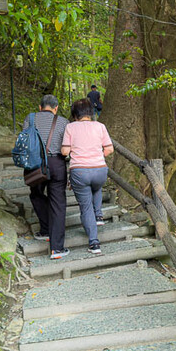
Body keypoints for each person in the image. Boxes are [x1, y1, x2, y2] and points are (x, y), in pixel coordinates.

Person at [61, 98, 113, 254]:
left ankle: (94, 243)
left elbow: (64, 151)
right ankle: (98, 216)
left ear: (75, 114)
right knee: (96, 188)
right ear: (90, 112)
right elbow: (109, 149)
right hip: (100, 169)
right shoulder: (100, 126)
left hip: (80, 171)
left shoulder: (70, 127)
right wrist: (97, 155)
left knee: (85, 207)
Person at [21, 95, 70, 260]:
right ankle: (57, 248)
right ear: (55, 108)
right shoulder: (63, 122)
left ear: (40, 107)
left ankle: (45, 229)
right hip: (56, 163)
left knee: (36, 194)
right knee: (58, 203)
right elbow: (67, 146)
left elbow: (25, 141)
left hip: (34, 163)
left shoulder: (30, 118)